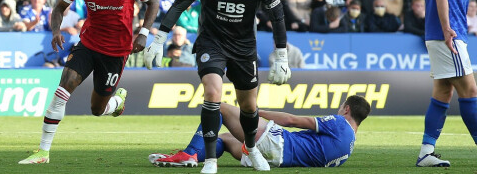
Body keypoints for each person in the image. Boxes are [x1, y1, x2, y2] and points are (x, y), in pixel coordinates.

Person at [143, 0, 291, 174]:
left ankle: (251, 148)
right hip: (212, 42)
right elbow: (180, 4)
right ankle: (210, 160)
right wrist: (159, 38)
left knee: (249, 106)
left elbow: (277, 17)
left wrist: (281, 54)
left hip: (244, 48)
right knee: (213, 93)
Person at [18, 0, 159, 165]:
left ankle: (116, 103)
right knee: (62, 90)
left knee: (96, 109)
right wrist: (56, 31)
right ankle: (43, 152)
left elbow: (153, 1)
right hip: (88, 44)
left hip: (116, 51)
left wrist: (143, 33)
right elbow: (58, 8)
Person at [149, 95, 371, 168]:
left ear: (347, 109)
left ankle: (189, 153)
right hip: (278, 160)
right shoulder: (349, 148)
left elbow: (294, 120)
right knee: (224, 139)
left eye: (342, 106)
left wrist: (256, 112)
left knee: (219, 107)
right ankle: (195, 157)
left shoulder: (340, 123)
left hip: (279, 143)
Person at [416, 0, 477, 167]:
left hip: (449, 32)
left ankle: (426, 153)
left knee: (443, 91)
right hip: (447, 33)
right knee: (471, 89)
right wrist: (447, 30)